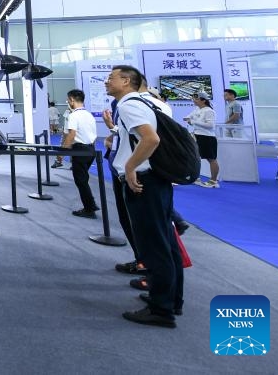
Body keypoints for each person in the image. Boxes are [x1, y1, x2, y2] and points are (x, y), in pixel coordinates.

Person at [105, 64, 183, 327]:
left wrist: (129, 167)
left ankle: (161, 310)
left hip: (144, 180)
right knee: (167, 243)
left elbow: (151, 140)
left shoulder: (128, 104)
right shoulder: (154, 103)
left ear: (126, 81)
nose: (107, 82)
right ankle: (172, 300)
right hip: (159, 179)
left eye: (111, 78)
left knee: (154, 246)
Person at [61, 89, 99, 218]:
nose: (68, 102)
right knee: (83, 179)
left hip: (80, 151)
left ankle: (89, 208)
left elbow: (72, 134)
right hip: (90, 150)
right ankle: (90, 205)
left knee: (81, 181)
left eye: (68, 100)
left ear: (72, 99)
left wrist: (62, 152)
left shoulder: (74, 115)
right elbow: (93, 136)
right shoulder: (89, 115)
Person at [185, 92, 218, 188]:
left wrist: (194, 121)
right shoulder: (197, 109)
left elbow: (210, 125)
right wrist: (191, 122)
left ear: (203, 100)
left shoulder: (209, 111)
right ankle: (196, 177)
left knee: (211, 159)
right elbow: (189, 118)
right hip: (197, 135)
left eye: (196, 99)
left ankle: (213, 181)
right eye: (193, 98)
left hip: (207, 137)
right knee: (195, 157)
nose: (194, 101)